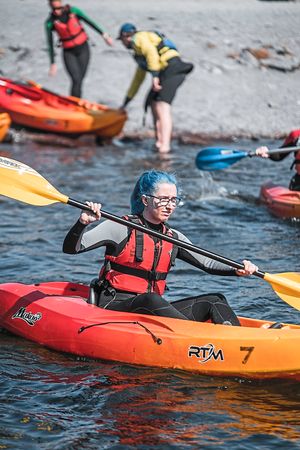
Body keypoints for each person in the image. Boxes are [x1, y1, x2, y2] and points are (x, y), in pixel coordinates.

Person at [63, 170, 259, 326]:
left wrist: (237, 269)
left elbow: (207, 263)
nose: (170, 206)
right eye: (164, 199)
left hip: (151, 307)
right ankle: (194, 338)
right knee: (151, 300)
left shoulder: (173, 237)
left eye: (174, 200)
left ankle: (236, 342)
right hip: (114, 306)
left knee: (215, 300)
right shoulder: (120, 227)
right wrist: (82, 222)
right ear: (145, 200)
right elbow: (72, 248)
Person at [117, 23, 194, 153]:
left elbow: (151, 52)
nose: (122, 43)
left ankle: (165, 146)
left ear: (126, 37)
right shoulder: (139, 54)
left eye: (121, 40)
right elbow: (137, 81)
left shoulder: (139, 38)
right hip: (164, 72)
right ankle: (159, 141)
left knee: (162, 106)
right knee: (152, 102)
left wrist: (154, 77)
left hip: (173, 68)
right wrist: (126, 102)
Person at [45, 0, 113, 98]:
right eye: (53, 9)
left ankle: (76, 104)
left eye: (58, 8)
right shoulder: (50, 22)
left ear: (61, 3)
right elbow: (49, 43)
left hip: (83, 50)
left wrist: (105, 36)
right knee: (76, 79)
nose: (56, 11)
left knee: (80, 79)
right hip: (68, 53)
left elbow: (90, 22)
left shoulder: (74, 11)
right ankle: (74, 105)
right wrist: (52, 63)